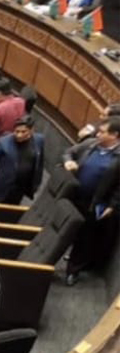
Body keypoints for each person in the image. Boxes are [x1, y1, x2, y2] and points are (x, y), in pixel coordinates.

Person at [63, 117, 120, 285]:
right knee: (63, 231)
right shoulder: (91, 145)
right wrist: (69, 161)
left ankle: (73, 270)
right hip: (74, 195)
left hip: (94, 202)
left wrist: (112, 205)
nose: (98, 134)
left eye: (102, 132)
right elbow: (68, 152)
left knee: (85, 236)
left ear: (115, 135)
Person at [0, 116, 44, 204]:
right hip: (2, 186)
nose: (19, 135)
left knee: (12, 212)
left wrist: (37, 183)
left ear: (31, 130)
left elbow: (40, 162)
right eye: (17, 131)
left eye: (23, 132)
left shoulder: (39, 140)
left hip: (21, 188)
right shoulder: (3, 142)